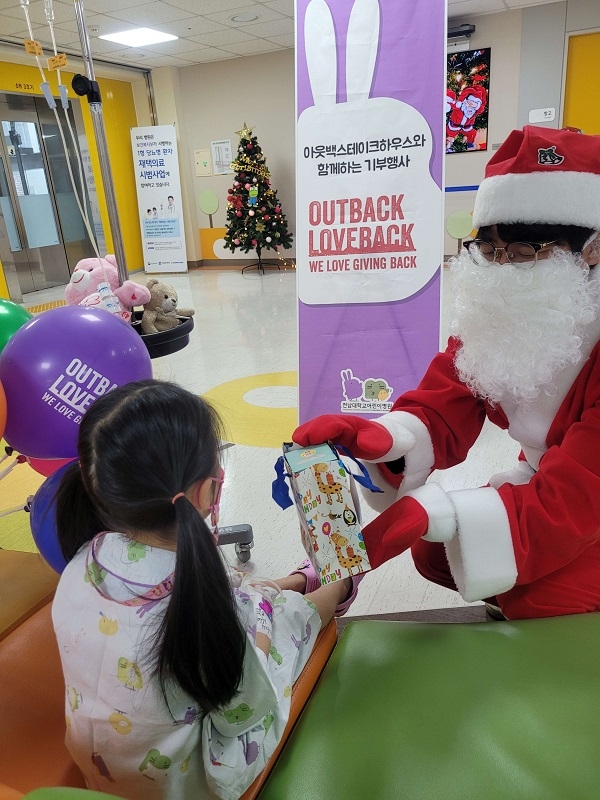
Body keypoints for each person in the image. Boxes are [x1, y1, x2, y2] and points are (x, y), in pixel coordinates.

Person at [294, 125, 600, 621]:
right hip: (554, 477)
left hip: (587, 496)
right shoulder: (509, 306)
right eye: (491, 250)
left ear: (593, 250)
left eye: (524, 254)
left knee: (538, 597)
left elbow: (578, 493)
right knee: (436, 554)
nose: (502, 269)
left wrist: (439, 512)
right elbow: (448, 395)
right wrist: (382, 437)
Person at [52, 379, 359, 800]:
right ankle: (341, 584)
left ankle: (290, 582)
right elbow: (244, 709)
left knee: (246, 596)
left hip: (101, 766)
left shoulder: (84, 558)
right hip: (184, 783)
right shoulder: (200, 608)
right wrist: (265, 628)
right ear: (204, 491)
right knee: (285, 617)